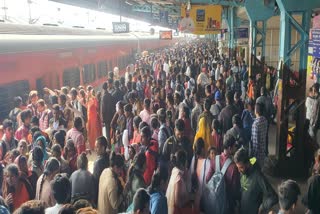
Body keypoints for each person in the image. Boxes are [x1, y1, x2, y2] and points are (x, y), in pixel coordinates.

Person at [234, 148, 278, 214]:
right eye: (237, 167)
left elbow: (274, 197)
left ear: (248, 163)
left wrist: (262, 206)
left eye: (241, 167)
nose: (239, 170)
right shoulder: (242, 172)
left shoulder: (258, 177)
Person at [206, 134, 241, 214]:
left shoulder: (214, 159)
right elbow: (235, 191)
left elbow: (207, 179)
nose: (235, 148)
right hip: (227, 204)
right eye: (234, 146)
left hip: (214, 201)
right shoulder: (233, 167)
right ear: (229, 148)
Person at [166, 150, 194, 214]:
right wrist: (190, 197)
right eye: (186, 160)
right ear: (182, 164)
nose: (187, 163)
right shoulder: (178, 179)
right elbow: (178, 203)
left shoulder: (174, 170)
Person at [190, 138, 210, 212]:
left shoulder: (193, 159)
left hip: (194, 197)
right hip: (203, 198)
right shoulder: (207, 162)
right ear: (202, 149)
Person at [251, 103, 268, 167]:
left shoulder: (255, 124)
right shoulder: (265, 120)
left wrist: (252, 160)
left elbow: (255, 144)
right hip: (263, 151)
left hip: (257, 155)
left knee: (255, 170)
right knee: (261, 169)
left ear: (256, 111)